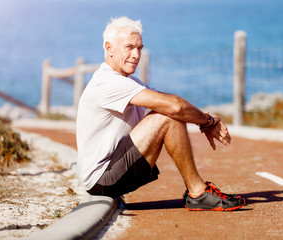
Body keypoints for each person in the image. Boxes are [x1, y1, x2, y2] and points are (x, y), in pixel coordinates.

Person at [76, 17, 245, 211]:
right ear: (109, 48)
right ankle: (197, 193)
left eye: (139, 48)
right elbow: (174, 107)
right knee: (167, 116)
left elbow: (169, 101)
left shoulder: (128, 81)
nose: (136, 55)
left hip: (113, 169)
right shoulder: (108, 82)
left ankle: (197, 192)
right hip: (102, 179)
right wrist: (207, 121)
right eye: (129, 47)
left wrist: (203, 118)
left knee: (168, 111)